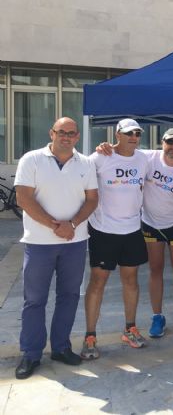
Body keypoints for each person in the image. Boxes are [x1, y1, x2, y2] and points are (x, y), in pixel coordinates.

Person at [13, 117, 98, 379]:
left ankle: (61, 347)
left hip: (75, 242)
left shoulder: (85, 163)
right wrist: (55, 225)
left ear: (77, 137)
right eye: (62, 132)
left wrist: (71, 224)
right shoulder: (32, 159)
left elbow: (92, 199)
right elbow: (23, 198)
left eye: (72, 133)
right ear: (52, 133)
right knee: (35, 300)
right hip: (39, 243)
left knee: (69, 296)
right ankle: (31, 353)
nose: (67, 137)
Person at [95, 128, 173, 337]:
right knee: (155, 269)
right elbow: (124, 151)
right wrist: (105, 147)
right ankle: (157, 316)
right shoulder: (147, 158)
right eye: (170, 142)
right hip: (151, 223)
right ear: (162, 142)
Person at [82, 118, 150, 360]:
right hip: (103, 231)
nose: (134, 137)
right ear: (117, 134)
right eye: (129, 133)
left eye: (137, 134)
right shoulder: (99, 157)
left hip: (132, 230)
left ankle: (130, 328)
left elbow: (170, 157)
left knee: (131, 281)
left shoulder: (144, 158)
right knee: (97, 282)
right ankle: (90, 336)